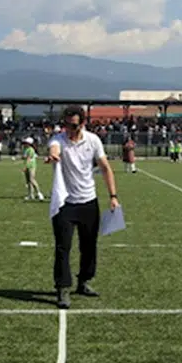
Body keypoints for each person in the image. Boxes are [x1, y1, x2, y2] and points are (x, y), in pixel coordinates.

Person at [46, 105, 118, 310]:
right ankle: (62, 288)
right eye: (66, 124)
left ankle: (84, 281)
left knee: (89, 246)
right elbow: (54, 149)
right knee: (63, 247)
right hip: (64, 204)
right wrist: (53, 156)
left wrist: (113, 196)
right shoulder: (58, 140)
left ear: (83, 124)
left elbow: (105, 167)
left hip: (88, 201)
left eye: (74, 125)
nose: (70, 128)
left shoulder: (93, 140)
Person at [23, 137, 44, 201]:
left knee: (32, 180)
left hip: (31, 166)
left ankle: (39, 193)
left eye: (26, 143)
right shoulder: (26, 149)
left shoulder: (31, 149)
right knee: (28, 181)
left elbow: (29, 159)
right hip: (27, 166)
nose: (24, 144)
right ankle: (30, 195)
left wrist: (26, 167)